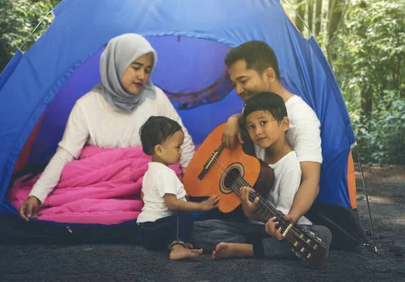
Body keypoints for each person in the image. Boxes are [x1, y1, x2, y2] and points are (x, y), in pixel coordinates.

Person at [18, 33, 196, 221]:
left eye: (147, 70)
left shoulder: (155, 97)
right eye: (136, 67)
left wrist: (193, 185)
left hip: (148, 186)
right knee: (74, 197)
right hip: (101, 189)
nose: (142, 76)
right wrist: (37, 195)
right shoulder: (86, 105)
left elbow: (182, 141)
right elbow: (65, 154)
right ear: (116, 65)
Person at [210, 92, 332, 260]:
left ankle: (247, 249)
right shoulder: (258, 148)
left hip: (282, 227)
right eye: (251, 126)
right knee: (200, 228)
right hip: (255, 229)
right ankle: (263, 247)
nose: (258, 131)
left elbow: (282, 219)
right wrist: (232, 121)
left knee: (322, 234)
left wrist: (257, 217)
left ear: (284, 124)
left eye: (263, 123)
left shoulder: (290, 166)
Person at [221, 41, 322, 226]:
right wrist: (234, 120)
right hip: (257, 207)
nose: (238, 91)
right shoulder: (252, 108)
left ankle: (253, 246)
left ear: (269, 75)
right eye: (234, 84)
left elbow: (311, 182)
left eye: (243, 81)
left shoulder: (301, 117)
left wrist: (289, 220)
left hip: (284, 214)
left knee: (318, 234)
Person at [137, 116, 219, 260]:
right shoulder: (165, 173)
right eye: (177, 147)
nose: (181, 151)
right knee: (183, 217)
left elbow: (144, 196)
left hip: (146, 230)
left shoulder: (151, 171)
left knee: (181, 217)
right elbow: (173, 204)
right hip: (157, 229)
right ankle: (177, 247)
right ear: (160, 150)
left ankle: (172, 243)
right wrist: (202, 206)